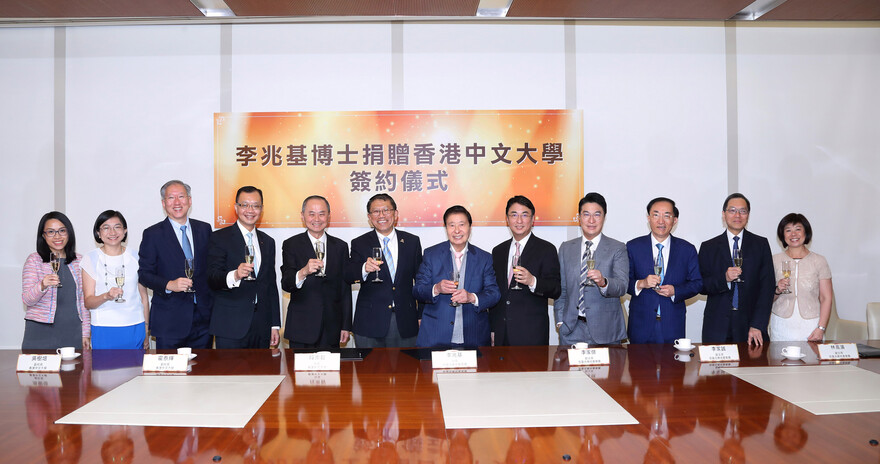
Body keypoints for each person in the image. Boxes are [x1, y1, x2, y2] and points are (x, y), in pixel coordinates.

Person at [138, 180, 214, 349]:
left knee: (205, 373)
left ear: (190, 200)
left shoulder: (204, 229)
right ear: (164, 203)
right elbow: (144, 274)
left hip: (203, 320)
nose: (177, 202)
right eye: (171, 198)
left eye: (181, 196)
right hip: (169, 321)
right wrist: (169, 284)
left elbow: (212, 269)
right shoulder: (153, 234)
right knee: (171, 374)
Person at [413, 205, 500, 348]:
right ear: (446, 228)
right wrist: (436, 288)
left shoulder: (484, 258)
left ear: (470, 228)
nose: (457, 230)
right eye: (451, 225)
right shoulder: (431, 254)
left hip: (474, 336)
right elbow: (418, 290)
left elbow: (494, 293)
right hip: (435, 335)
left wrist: (472, 297)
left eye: (462, 225)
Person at [207, 186, 281, 348]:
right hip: (230, 325)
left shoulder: (268, 242)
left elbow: (270, 284)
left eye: (255, 205)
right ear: (236, 207)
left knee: (262, 372)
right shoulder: (219, 237)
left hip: (262, 325)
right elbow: (212, 277)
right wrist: (235, 275)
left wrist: (274, 324)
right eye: (245, 205)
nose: (250, 210)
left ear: (261, 209)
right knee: (230, 373)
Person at [345, 194, 422, 348]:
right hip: (369, 322)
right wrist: (363, 269)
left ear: (396, 214)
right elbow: (348, 276)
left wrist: (421, 315)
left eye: (386, 210)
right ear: (369, 217)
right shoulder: (359, 243)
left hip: (405, 321)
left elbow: (421, 281)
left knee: (406, 370)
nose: (381, 215)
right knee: (369, 372)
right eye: (376, 212)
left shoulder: (412, 241)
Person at [699, 193, 774, 345]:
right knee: (716, 369)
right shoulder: (708, 247)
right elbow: (701, 285)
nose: (737, 215)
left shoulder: (761, 244)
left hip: (750, 326)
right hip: (717, 326)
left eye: (743, 211)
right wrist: (724, 279)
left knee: (751, 368)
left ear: (748, 215)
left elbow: (767, 288)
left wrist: (758, 324)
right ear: (723, 214)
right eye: (732, 210)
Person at [555, 193, 629, 345]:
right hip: (571, 331)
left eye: (597, 214)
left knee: (609, 370)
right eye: (586, 214)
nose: (591, 220)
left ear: (604, 217)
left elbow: (622, 286)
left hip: (606, 331)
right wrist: (560, 321)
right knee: (568, 369)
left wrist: (603, 282)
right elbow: (561, 289)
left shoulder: (617, 248)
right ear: (579, 217)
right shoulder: (566, 248)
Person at [626, 197, 702, 344]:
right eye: (656, 215)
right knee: (639, 367)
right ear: (649, 218)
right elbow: (623, 282)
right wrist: (641, 283)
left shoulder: (687, 249)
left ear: (675, 220)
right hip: (641, 325)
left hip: (672, 325)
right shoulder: (633, 247)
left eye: (667, 216)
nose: (661, 221)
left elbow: (697, 283)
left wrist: (676, 291)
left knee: (674, 367)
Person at [280, 195, 352, 348]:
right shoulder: (291, 244)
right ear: (302, 216)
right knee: (298, 372)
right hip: (301, 327)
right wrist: (303, 272)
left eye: (322, 213)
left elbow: (344, 289)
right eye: (311, 214)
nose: (317, 219)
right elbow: (286, 283)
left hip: (332, 327)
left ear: (329, 216)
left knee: (332, 372)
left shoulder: (340, 246)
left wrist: (346, 324)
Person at [490, 195, 561, 346]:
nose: (519, 221)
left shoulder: (546, 249)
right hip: (502, 334)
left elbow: (556, 289)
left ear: (533, 219)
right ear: (507, 219)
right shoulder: (498, 251)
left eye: (525, 215)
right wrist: (493, 328)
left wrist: (532, 281)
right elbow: (496, 293)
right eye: (514, 215)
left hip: (531, 334)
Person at [21, 211, 90, 350]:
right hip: (40, 333)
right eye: (51, 232)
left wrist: (85, 333)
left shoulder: (80, 261)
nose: (57, 236)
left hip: (72, 332)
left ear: (69, 233)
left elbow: (84, 301)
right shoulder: (34, 260)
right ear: (43, 235)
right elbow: (27, 300)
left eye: (62, 231)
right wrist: (42, 285)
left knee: (74, 371)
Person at [81, 210, 150, 349]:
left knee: (135, 369)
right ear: (98, 233)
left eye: (117, 227)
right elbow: (88, 302)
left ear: (124, 231)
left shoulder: (137, 257)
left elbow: (144, 298)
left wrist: (146, 329)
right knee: (105, 369)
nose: (112, 232)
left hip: (135, 325)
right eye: (106, 227)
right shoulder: (90, 259)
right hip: (104, 327)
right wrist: (106, 296)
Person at [770, 213, 832, 342]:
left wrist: (821, 328)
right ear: (782, 235)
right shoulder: (774, 261)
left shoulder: (819, 261)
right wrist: (777, 290)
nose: (793, 234)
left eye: (798, 229)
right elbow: (765, 298)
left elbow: (826, 298)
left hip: (811, 326)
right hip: (781, 325)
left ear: (806, 232)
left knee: (812, 361)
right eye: (788, 230)